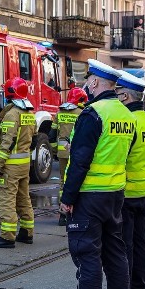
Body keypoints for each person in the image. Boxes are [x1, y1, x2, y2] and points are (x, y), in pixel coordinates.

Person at [56, 60, 135, 289]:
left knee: (88, 257)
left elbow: (79, 160)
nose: (86, 85)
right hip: (115, 195)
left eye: (88, 80)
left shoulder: (93, 114)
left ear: (94, 83)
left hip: (89, 197)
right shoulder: (126, 115)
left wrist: (67, 198)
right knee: (116, 254)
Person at [99, 71, 145, 289]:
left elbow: (120, 157)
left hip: (126, 194)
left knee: (122, 249)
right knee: (140, 245)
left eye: (117, 93)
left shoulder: (129, 122)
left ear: (124, 95)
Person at [0, 77, 37, 248]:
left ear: (10, 93)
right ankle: (27, 232)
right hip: (24, 165)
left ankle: (8, 237)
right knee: (24, 198)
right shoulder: (30, 114)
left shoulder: (11, 114)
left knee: (7, 199)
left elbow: (7, 142)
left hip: (10, 165)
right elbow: (35, 139)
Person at [50, 87, 88, 226]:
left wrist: (56, 151)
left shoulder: (60, 113)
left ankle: (62, 215)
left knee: (63, 182)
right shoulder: (83, 113)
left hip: (62, 154)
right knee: (77, 181)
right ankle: (75, 211)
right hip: (77, 154)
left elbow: (52, 136)